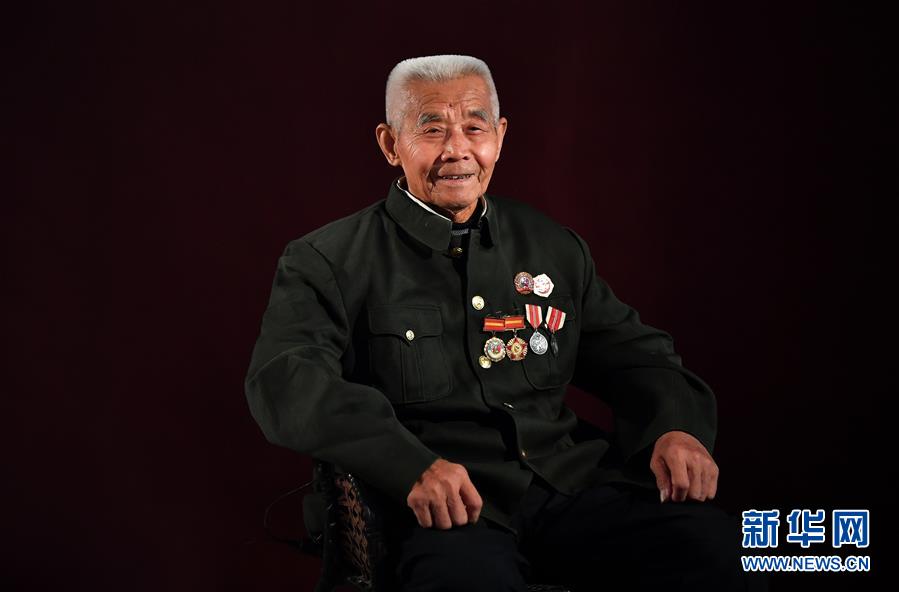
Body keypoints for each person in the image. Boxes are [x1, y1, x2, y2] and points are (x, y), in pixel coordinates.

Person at [245, 55, 765, 591]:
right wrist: (407, 466)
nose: (457, 150)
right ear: (390, 144)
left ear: (499, 136)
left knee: (719, 551)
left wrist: (674, 427)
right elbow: (285, 380)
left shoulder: (552, 246)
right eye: (432, 129)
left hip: (565, 485)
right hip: (441, 507)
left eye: (475, 128)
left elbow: (637, 355)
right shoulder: (328, 260)